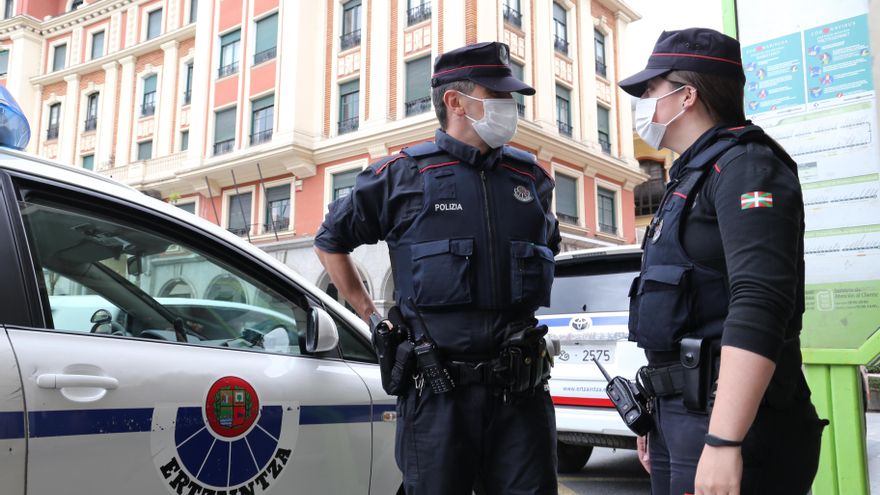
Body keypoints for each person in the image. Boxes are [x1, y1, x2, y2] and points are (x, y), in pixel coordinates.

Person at [314, 41, 560, 495]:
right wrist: (372, 318)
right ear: (455, 101)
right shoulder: (401, 175)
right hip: (438, 398)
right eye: (497, 95)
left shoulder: (531, 180)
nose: (510, 105)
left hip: (521, 400)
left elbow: (549, 250)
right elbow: (330, 241)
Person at [619, 28, 826, 495]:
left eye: (650, 90)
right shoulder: (689, 176)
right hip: (680, 417)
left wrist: (723, 440)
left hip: (729, 421)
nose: (643, 104)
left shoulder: (746, 166)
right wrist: (655, 417)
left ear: (687, 95)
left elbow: (759, 302)